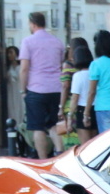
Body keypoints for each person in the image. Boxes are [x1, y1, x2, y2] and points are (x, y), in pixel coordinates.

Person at [18, 12, 65, 158]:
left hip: (36, 88)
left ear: (32, 24)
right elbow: (60, 64)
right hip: (56, 89)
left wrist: (23, 90)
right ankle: (59, 155)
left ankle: (43, 160)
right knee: (53, 125)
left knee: (38, 128)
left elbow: (24, 68)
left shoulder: (28, 42)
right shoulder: (57, 42)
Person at [67, 45, 97, 144]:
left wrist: (70, 116)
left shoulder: (77, 76)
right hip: (96, 108)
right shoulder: (95, 72)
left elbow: (75, 98)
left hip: (82, 109)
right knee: (96, 142)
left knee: (85, 146)